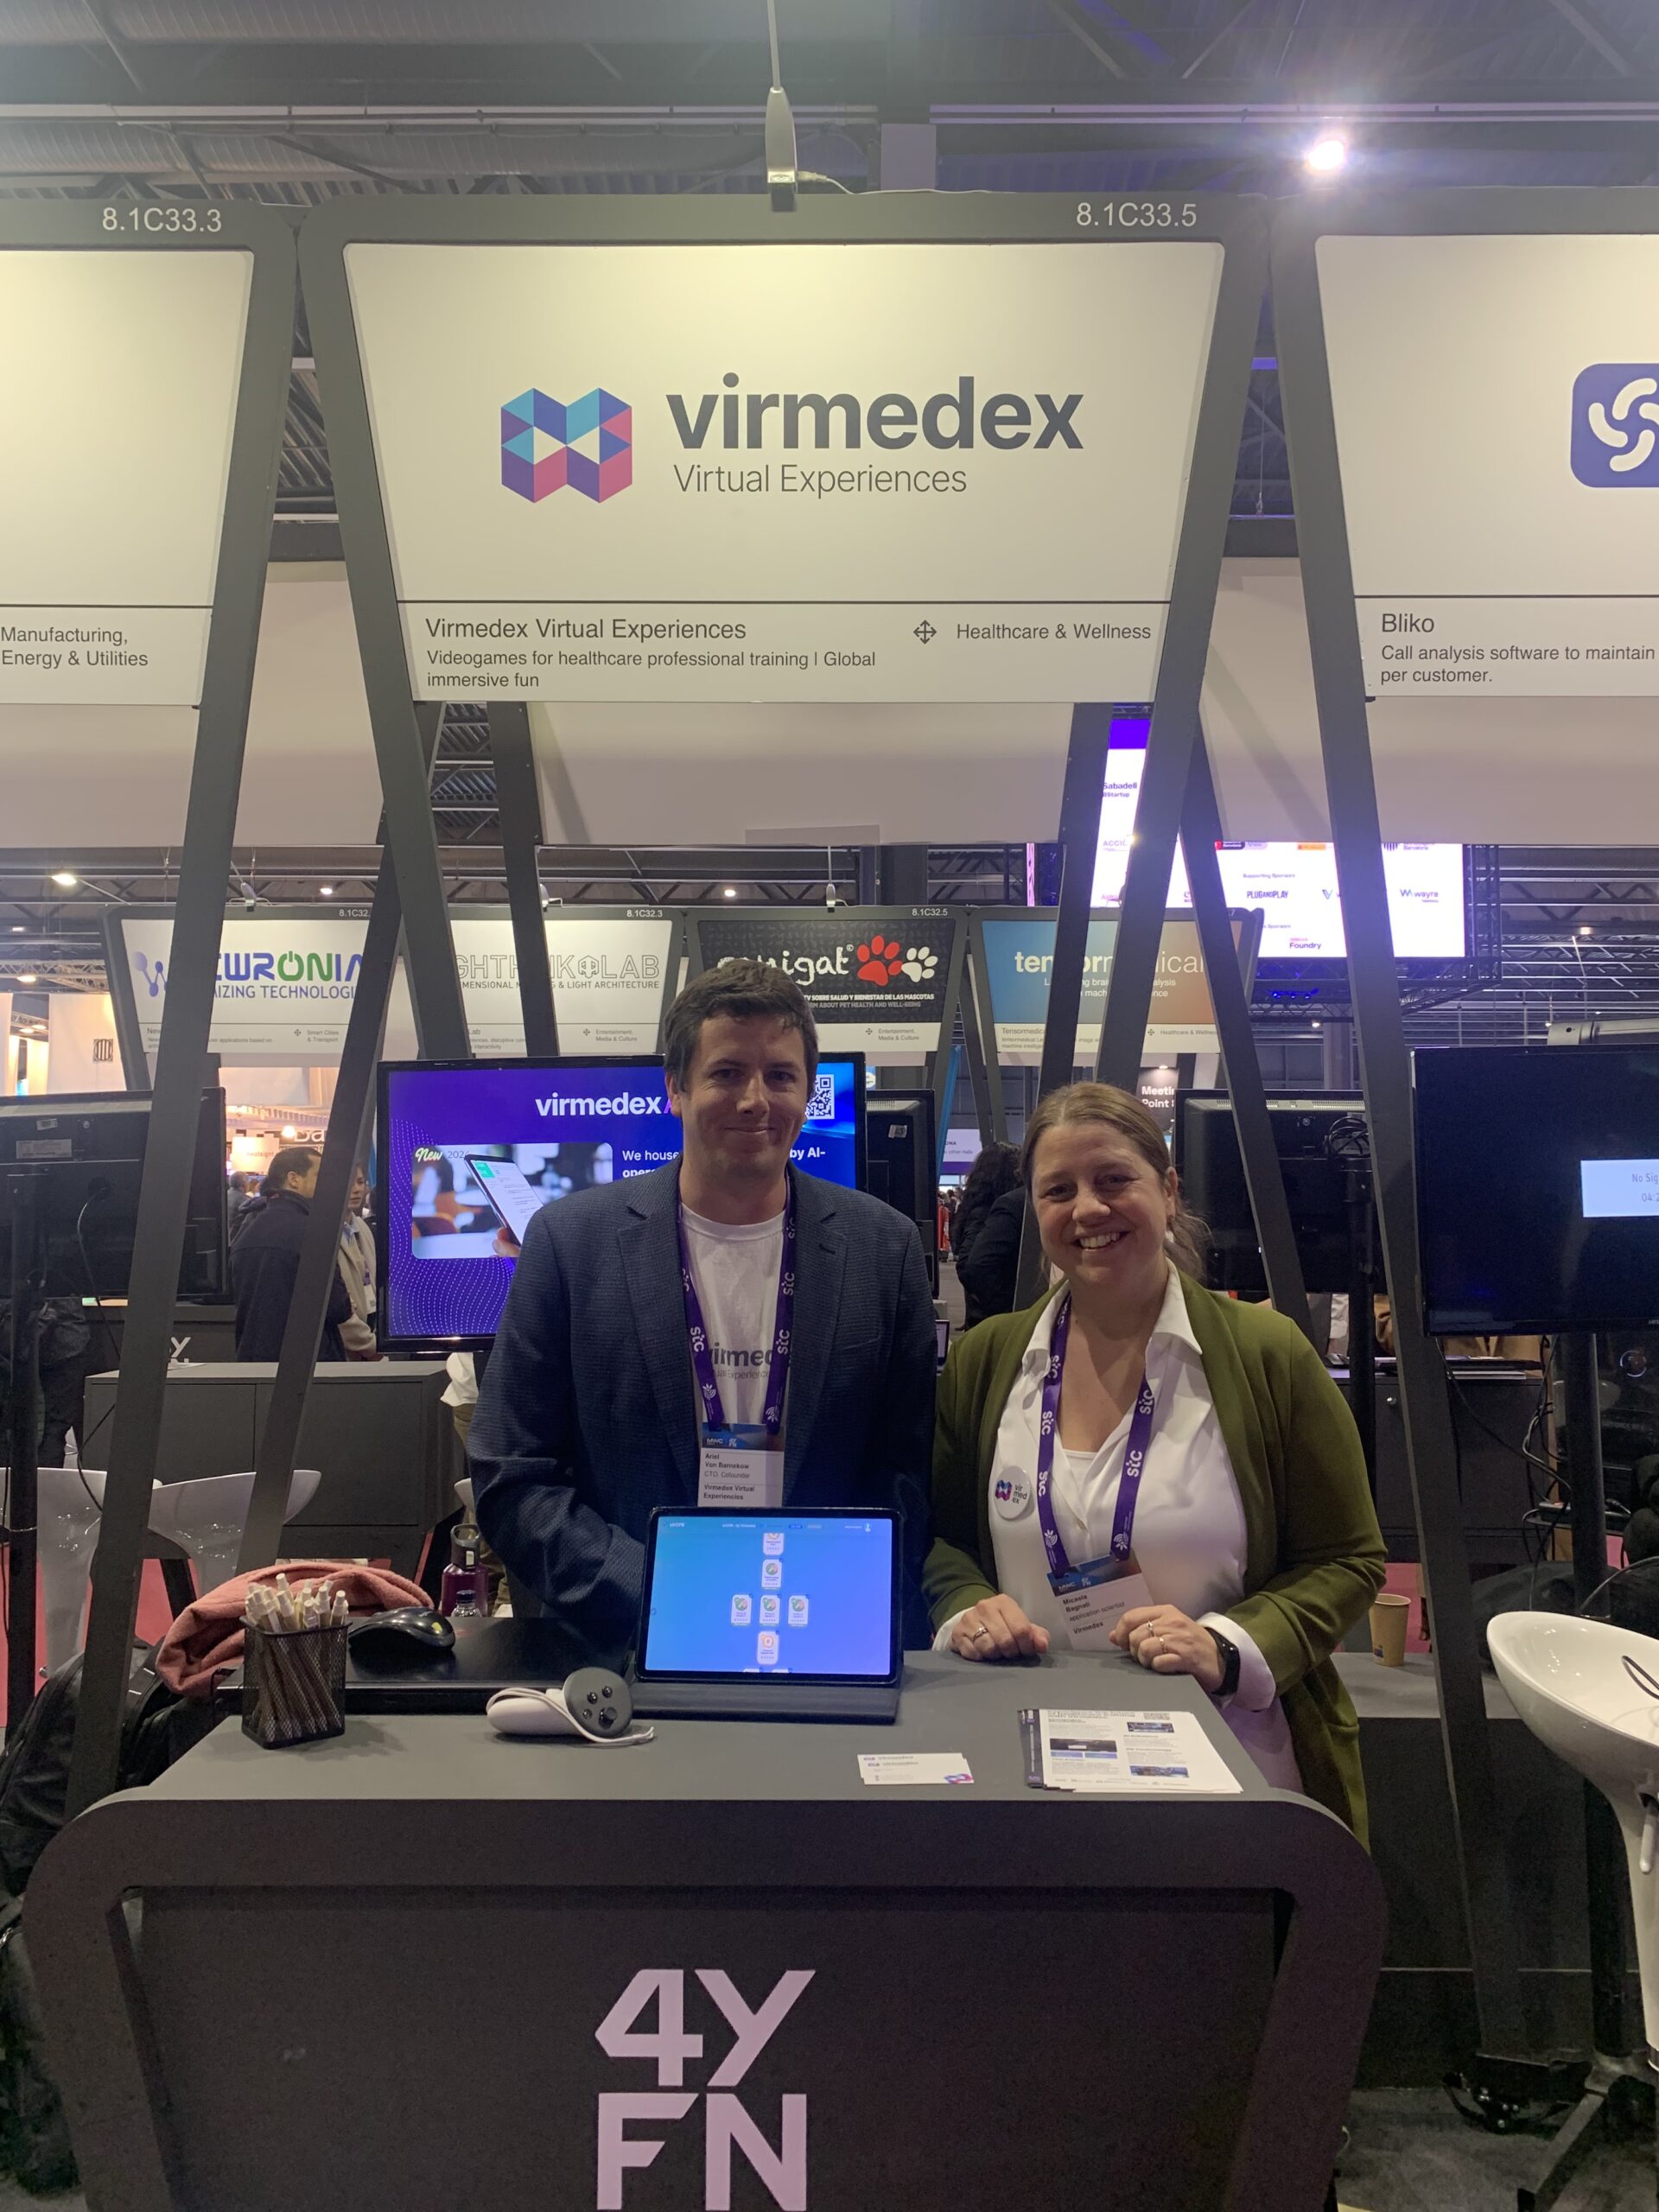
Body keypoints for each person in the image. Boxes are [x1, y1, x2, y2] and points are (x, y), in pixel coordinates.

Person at [924, 1082, 1385, 1838]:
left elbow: (1348, 1558)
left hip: (1228, 1765)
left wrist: (1228, 1646)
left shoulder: (1268, 1356)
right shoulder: (987, 1361)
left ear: (1167, 1192)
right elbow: (946, 1540)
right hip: (1022, 1766)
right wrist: (966, 1607)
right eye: (1058, 1190)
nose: (1088, 1209)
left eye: (1114, 1180)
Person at [469, 958, 938, 1646]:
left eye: (781, 1076)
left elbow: (907, 1473)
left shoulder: (883, 1248)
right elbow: (513, 1476)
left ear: (808, 1092)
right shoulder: (570, 1243)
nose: (755, 1101)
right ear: (675, 1088)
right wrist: (662, 1589)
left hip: (818, 1635)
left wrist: (822, 1591)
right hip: (622, 1641)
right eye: (727, 1073)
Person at [231, 1146, 354, 1364]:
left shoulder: (247, 1230)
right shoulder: (312, 1231)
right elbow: (338, 1307)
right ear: (294, 1179)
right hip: (309, 1364)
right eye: (319, 1176)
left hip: (253, 1361)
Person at [952, 1141, 1023, 1329]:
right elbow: (971, 1265)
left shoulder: (977, 1207)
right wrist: (1003, 1304)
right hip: (994, 1321)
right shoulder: (990, 1211)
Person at [335, 1164, 382, 1362]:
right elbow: (336, 1302)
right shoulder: (323, 1232)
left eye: (360, 1182)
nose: (356, 1189)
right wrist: (370, 1345)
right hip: (343, 1346)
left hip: (371, 1326)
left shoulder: (362, 1226)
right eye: (348, 1183)